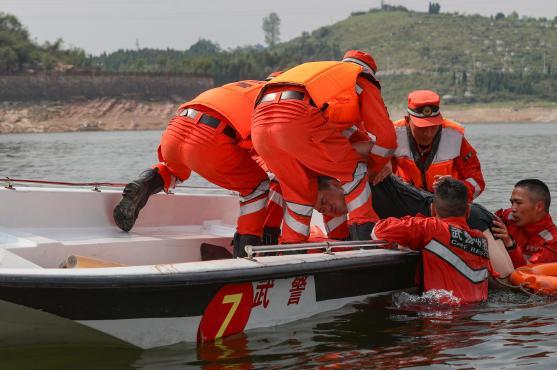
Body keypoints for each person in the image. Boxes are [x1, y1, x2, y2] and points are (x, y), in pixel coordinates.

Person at [113, 79, 272, 258]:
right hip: (210, 137)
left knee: (174, 170)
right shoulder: (273, 100)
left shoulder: (243, 85)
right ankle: (245, 252)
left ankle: (144, 185)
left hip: (178, 126)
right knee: (257, 186)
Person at [251, 50, 397, 244]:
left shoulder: (324, 77)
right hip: (297, 118)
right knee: (354, 173)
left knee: (298, 200)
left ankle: (291, 261)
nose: (326, 208)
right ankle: (365, 250)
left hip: (259, 125)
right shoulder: (359, 77)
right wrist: (373, 169)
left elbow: (341, 138)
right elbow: (386, 140)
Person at [371, 177, 492, 304]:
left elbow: (378, 231)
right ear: (468, 211)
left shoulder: (430, 227)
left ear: (433, 209)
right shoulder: (481, 239)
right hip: (476, 314)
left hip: (442, 316)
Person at [391, 90, 485, 200]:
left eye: (433, 126)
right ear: (408, 120)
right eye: (421, 127)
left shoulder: (455, 137)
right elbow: (379, 176)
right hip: (408, 201)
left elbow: (477, 181)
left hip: (447, 205)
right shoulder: (392, 136)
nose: (428, 133)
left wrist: (456, 187)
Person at [491, 179, 557, 268]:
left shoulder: (554, 241)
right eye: (512, 203)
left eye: (518, 203)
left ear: (539, 206)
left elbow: (529, 272)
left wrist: (510, 244)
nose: (513, 208)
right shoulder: (507, 217)